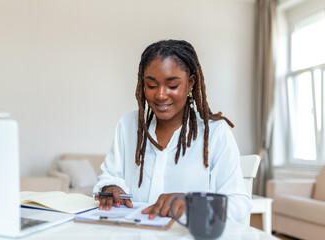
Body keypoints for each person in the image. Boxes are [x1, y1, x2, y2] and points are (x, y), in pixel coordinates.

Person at [93, 39, 252, 223]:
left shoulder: (216, 133)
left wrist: (193, 203)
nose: (160, 95)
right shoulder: (128, 125)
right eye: (151, 86)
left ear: (190, 83)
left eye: (172, 86)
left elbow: (239, 206)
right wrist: (110, 187)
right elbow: (109, 175)